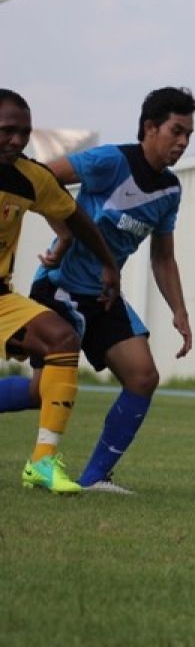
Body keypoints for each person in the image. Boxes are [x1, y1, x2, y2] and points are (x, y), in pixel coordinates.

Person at [1, 87, 195, 494]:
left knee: (143, 377)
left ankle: (95, 479)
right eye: (176, 131)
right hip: (60, 286)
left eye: (189, 135)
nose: (182, 142)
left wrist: (179, 311)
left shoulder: (170, 191)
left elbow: (163, 257)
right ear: (150, 127)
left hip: (105, 295)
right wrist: (64, 235)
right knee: (44, 388)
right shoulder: (111, 161)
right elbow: (44, 176)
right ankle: (44, 463)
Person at [0, 89, 121, 493]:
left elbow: (76, 217)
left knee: (62, 338)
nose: (17, 140)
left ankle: (43, 461)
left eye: (24, 132)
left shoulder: (31, 177)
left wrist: (107, 263)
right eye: (7, 131)